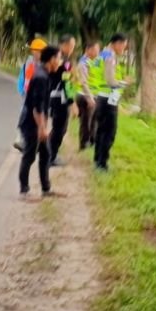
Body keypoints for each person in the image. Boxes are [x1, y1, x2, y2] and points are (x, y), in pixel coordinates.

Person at [18, 45, 62, 199]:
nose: (60, 61)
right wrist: (42, 128)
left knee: (46, 153)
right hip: (31, 124)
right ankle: (24, 191)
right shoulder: (41, 77)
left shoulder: (45, 74)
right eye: (59, 58)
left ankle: (46, 189)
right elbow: (37, 108)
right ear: (51, 59)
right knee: (29, 155)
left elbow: (42, 106)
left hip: (37, 122)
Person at [94, 33, 130, 171]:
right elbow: (110, 80)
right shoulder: (110, 57)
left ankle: (97, 159)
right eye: (124, 46)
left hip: (100, 97)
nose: (124, 49)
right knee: (110, 132)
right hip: (108, 99)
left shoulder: (102, 54)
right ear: (117, 43)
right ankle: (102, 164)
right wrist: (123, 83)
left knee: (101, 130)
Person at [48, 34, 77, 166]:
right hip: (60, 99)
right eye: (71, 46)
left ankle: (50, 154)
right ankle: (50, 157)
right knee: (60, 129)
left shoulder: (54, 57)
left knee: (58, 128)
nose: (72, 49)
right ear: (64, 45)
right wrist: (72, 103)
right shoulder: (64, 62)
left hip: (53, 97)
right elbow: (67, 83)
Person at [14, 37, 47, 152]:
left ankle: (35, 143)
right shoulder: (29, 63)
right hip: (28, 95)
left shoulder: (44, 64)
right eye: (37, 51)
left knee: (38, 119)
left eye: (41, 51)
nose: (39, 53)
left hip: (38, 96)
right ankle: (21, 140)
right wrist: (25, 93)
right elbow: (24, 80)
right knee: (25, 117)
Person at [75, 40, 102, 150]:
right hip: (85, 96)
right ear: (88, 50)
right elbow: (83, 82)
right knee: (85, 121)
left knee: (94, 121)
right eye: (95, 50)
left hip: (94, 96)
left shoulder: (94, 62)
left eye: (98, 50)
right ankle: (83, 144)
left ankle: (92, 141)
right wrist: (89, 98)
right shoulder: (83, 63)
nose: (97, 53)